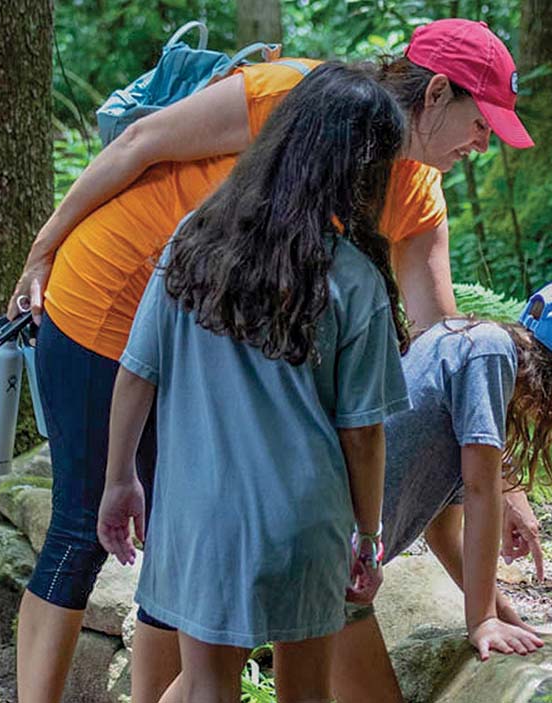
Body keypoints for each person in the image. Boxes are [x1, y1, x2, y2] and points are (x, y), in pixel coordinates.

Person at [7, 19, 540, 703]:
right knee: (85, 527)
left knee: (181, 536)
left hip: (206, 333)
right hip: (110, 295)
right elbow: (142, 141)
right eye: (480, 121)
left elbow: (446, 345)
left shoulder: (408, 198)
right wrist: (42, 249)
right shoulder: (297, 98)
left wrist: (503, 486)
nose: (482, 141)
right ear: (437, 93)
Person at [96, 62, 408, 703]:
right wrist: (369, 536)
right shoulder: (353, 280)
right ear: (361, 168)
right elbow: (363, 436)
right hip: (303, 521)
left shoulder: (192, 242)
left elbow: (136, 372)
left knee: (206, 687)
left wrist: (119, 478)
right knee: (306, 692)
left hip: (198, 513)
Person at [328, 279, 552, 703]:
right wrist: (482, 621)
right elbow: (482, 489)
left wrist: (512, 622)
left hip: (331, 557)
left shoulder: (466, 345)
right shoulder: (489, 354)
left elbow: (445, 536)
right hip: (330, 561)